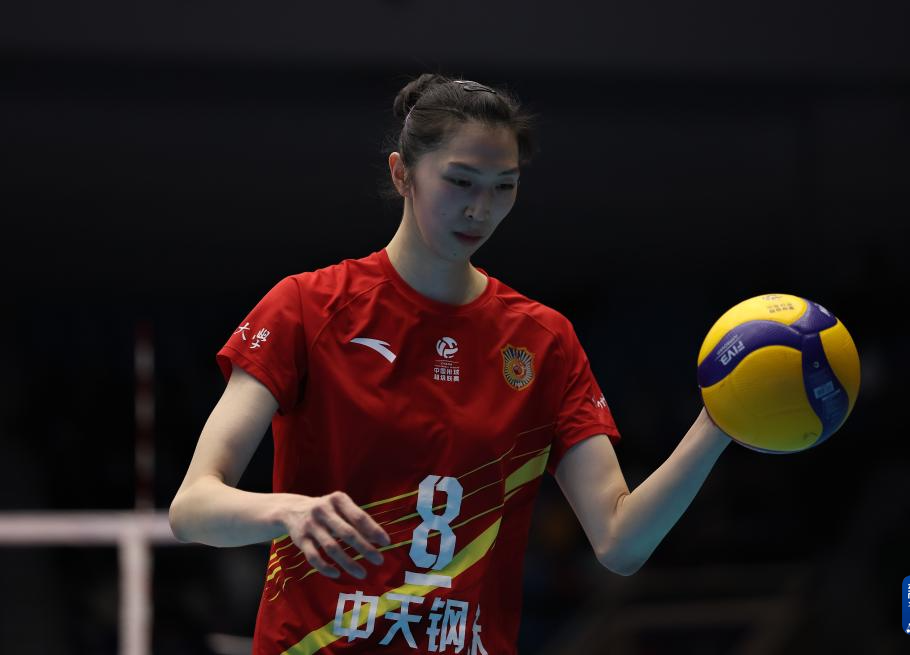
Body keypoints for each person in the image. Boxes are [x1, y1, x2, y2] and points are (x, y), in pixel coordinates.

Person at [169, 73, 732, 655]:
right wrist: (288, 511)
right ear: (402, 174)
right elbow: (193, 507)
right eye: (460, 181)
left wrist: (717, 422)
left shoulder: (543, 342)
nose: (480, 208)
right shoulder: (308, 308)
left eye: (504, 186)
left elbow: (620, 542)